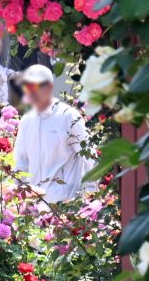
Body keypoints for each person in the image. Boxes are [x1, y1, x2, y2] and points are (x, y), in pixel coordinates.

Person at [13, 64, 94, 203]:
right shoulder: (27, 119)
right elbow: (21, 161)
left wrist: (90, 194)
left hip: (65, 204)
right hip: (34, 205)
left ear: (49, 87)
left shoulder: (68, 116)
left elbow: (89, 157)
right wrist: (18, 195)